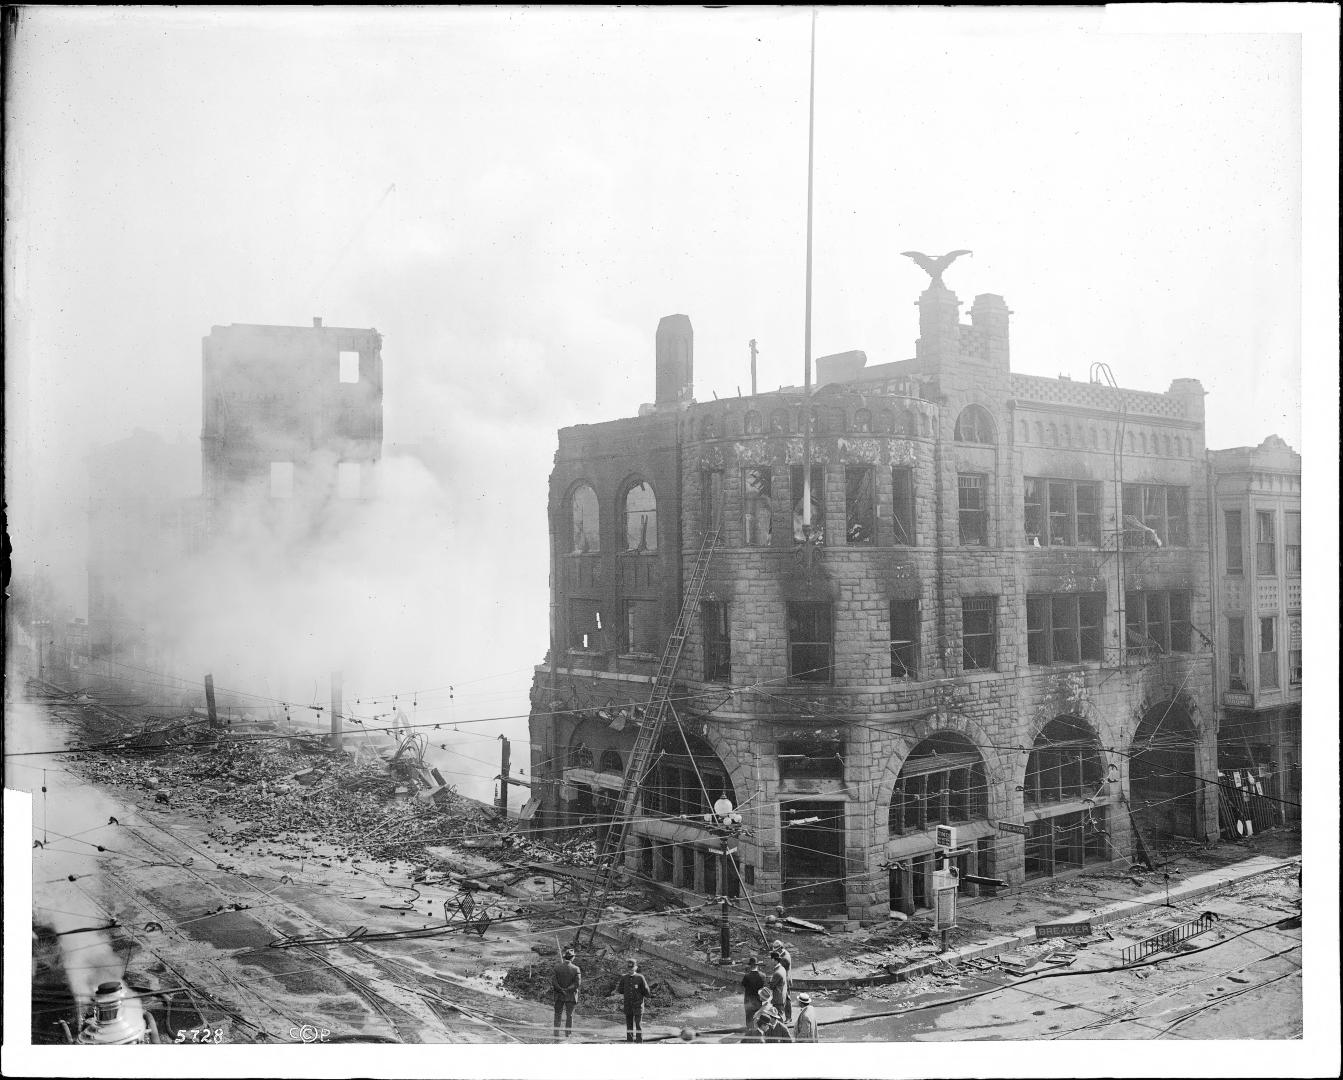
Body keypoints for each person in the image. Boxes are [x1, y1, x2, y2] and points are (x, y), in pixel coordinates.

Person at [612, 958, 651, 1043]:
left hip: (638, 1006)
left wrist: (640, 996)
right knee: (629, 1025)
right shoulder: (624, 978)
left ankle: (639, 1042)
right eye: (628, 968)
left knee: (638, 1025)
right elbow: (620, 990)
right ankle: (629, 1042)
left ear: (636, 967)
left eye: (632, 968)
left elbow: (647, 991)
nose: (630, 970)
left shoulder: (640, 977)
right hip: (628, 1005)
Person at [551, 949, 582, 1040]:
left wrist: (561, 989)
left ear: (565, 958)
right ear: (572, 958)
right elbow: (577, 984)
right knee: (570, 1015)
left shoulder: (557, 967)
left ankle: (556, 1034)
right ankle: (568, 1035)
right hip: (571, 996)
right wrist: (567, 990)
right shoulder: (576, 969)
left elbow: (554, 981)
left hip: (559, 995)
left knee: (557, 1014)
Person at [740, 956, 766, 1032]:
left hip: (749, 1000)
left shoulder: (746, 976)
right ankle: (758, 1032)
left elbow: (743, 985)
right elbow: (763, 987)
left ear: (750, 966)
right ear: (757, 965)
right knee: (757, 1017)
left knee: (749, 1017)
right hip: (758, 1000)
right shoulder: (763, 976)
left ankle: (749, 1031)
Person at [771, 940, 794, 1021]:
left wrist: (775, 958)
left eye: (776, 950)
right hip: (783, 978)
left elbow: (779, 965)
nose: (775, 951)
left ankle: (788, 1017)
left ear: (781, 948)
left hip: (786, 979)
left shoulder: (785, 958)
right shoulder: (782, 954)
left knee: (786, 998)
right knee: (784, 998)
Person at [768, 950, 790, 1024]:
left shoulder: (777, 972)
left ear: (775, 960)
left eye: (771, 959)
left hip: (778, 999)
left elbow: (771, 986)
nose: (771, 961)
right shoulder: (782, 968)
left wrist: (770, 980)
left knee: (778, 1020)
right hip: (781, 997)